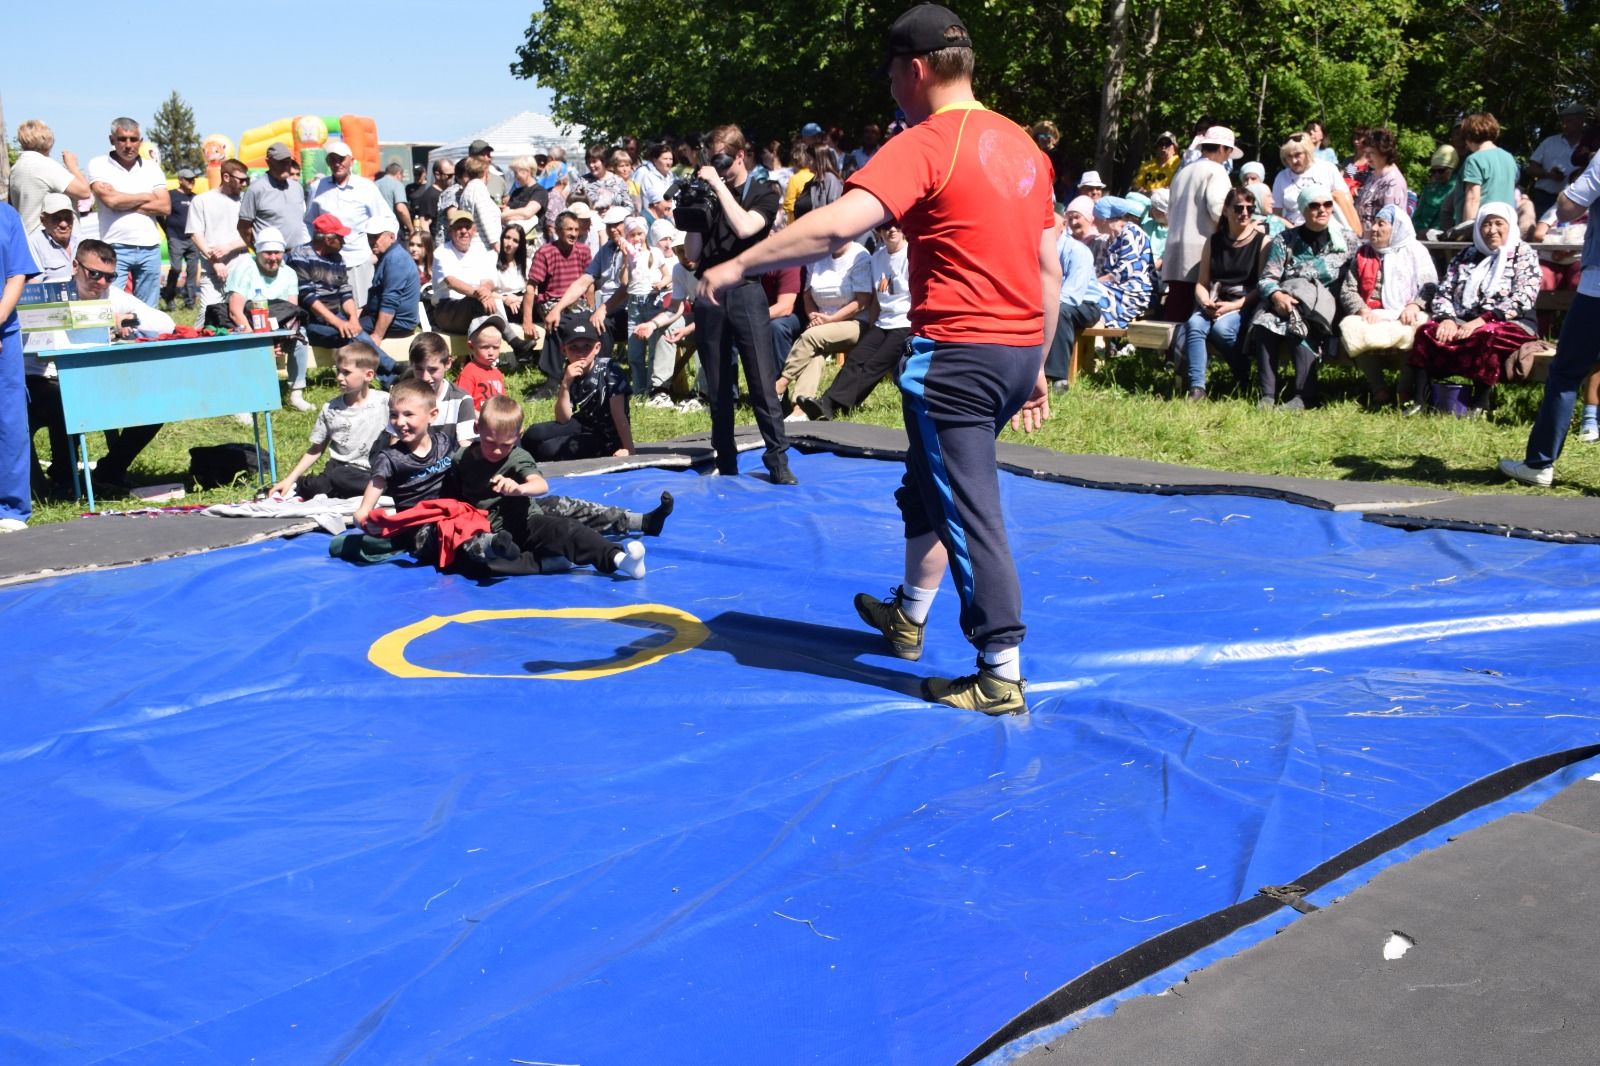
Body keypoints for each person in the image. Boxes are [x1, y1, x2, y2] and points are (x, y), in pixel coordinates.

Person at [700, 3, 1059, 712]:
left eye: (892, 71)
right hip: (1015, 348)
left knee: (967, 508)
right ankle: (910, 614)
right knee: (923, 485)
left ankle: (1000, 670)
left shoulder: (930, 141)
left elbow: (834, 227)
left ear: (916, 69)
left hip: (959, 357)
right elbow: (1048, 268)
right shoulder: (1022, 144)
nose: (889, 85)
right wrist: (1038, 363)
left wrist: (739, 265)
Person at [679, 124, 797, 482]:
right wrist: (694, 208)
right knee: (718, 384)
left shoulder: (764, 192)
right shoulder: (712, 194)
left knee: (761, 379)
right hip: (710, 293)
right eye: (714, 162)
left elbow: (747, 228)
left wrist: (717, 186)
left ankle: (777, 461)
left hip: (747, 290)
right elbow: (694, 254)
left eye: (724, 161)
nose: (720, 168)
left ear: (740, 155)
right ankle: (725, 459)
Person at [24, 239, 176, 497]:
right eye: (94, 274)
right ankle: (64, 480)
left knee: (156, 403)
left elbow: (166, 324)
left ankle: (110, 471)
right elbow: (36, 316)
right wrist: (106, 317)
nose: (102, 283)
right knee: (64, 400)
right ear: (75, 266)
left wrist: (129, 319)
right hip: (40, 380)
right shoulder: (48, 291)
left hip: (90, 378)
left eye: (109, 276)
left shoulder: (112, 295)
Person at [1408, 201, 1539, 415]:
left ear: (1510, 226)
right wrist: (1447, 319)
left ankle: (1480, 402)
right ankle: (1420, 400)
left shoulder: (1523, 254)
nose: (1492, 230)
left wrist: (1483, 319)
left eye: (1499, 224)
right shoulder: (1467, 254)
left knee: (1485, 334)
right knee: (1426, 332)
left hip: (1510, 322)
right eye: (1486, 225)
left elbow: (1524, 297)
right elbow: (1444, 290)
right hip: (1464, 320)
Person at [1241, 185, 1349, 409]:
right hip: (1286, 298)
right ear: (1303, 209)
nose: (1322, 210)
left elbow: (1354, 279)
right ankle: (1268, 395)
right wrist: (1277, 296)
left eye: (1327, 204)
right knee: (1264, 324)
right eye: (1315, 205)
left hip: (1324, 306)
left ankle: (1305, 395)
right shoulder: (1285, 239)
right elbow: (1267, 278)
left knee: (1298, 324)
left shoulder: (1346, 241)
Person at [797, 218, 914, 418]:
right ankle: (830, 403)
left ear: (904, 229)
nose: (891, 230)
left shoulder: (911, 255)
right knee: (856, 358)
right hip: (882, 322)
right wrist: (871, 327)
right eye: (885, 227)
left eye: (897, 225)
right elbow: (876, 298)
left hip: (905, 322)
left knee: (874, 365)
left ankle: (832, 405)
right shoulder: (877, 257)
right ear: (878, 231)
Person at [1337, 204, 1437, 407]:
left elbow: (1430, 285)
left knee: (1420, 329)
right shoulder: (1363, 252)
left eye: (1381, 224)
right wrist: (1363, 309)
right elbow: (1348, 289)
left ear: (1397, 228)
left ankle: (1404, 390)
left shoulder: (1416, 251)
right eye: (1374, 223)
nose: (1373, 228)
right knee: (1350, 327)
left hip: (1407, 311)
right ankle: (1379, 389)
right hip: (1373, 312)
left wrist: (1415, 306)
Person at [270, 345, 389, 499]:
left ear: (368, 375)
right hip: (342, 470)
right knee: (323, 483)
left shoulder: (385, 402)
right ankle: (300, 485)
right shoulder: (331, 408)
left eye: (346, 372)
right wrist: (289, 478)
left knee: (383, 483)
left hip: (374, 470)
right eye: (338, 370)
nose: (339, 377)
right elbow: (316, 449)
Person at [1181, 186, 1266, 400]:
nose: (1244, 213)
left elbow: (1262, 286)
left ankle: (1242, 375)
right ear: (1226, 210)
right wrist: (1204, 301)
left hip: (1244, 303)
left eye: (1250, 208)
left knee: (1222, 330)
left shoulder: (1262, 242)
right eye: (1238, 208)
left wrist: (1233, 306)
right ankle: (1197, 388)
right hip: (1214, 299)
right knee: (1195, 324)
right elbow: (1202, 282)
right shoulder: (1214, 241)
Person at [775, 237, 873, 411]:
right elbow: (807, 295)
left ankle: (780, 384)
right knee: (814, 356)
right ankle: (800, 408)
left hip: (854, 322)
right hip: (821, 323)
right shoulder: (818, 257)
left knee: (811, 337)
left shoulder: (860, 256)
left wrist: (830, 320)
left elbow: (862, 301)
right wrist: (814, 316)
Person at [521, 312, 634, 460]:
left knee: (548, 450)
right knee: (532, 434)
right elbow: (563, 419)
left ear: (597, 348)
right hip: (582, 423)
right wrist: (565, 384)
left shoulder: (611, 370)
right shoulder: (570, 371)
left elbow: (619, 414)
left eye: (587, 346)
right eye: (574, 347)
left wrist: (628, 449)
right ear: (564, 351)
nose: (581, 353)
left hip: (606, 437)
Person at [87, 117, 170, 308]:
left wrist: (121, 201)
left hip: (150, 246)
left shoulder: (152, 168)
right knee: (110, 303)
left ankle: (146, 339)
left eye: (133, 139)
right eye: (122, 139)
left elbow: (165, 207)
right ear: (112, 140)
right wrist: (146, 195)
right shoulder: (99, 164)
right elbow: (110, 201)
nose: (128, 145)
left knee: (149, 309)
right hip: (115, 245)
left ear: (140, 141)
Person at [223, 226, 308, 408]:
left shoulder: (289, 273)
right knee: (241, 343)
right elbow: (234, 312)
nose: (273, 258)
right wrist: (261, 342)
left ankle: (296, 393)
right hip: (245, 322)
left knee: (300, 338)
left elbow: (292, 310)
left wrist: (281, 339)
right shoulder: (245, 268)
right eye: (268, 253)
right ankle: (242, 403)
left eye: (277, 253)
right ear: (259, 252)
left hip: (277, 322)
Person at [1160, 125, 1236, 323]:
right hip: (1200, 252)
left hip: (1174, 249)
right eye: (1229, 151)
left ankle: (1170, 354)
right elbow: (1218, 209)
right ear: (1222, 148)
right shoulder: (1217, 171)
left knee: (1175, 311)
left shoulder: (1182, 172)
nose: (1228, 157)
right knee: (1194, 318)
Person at [304, 139, 394, 306]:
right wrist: (311, 251)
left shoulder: (366, 187)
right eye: (332, 159)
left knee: (361, 309)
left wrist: (375, 254)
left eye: (341, 159)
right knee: (331, 309)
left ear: (351, 161)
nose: (337, 164)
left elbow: (386, 220)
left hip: (358, 261)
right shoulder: (318, 187)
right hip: (327, 262)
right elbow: (308, 222)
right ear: (327, 162)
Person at [287, 214, 376, 358]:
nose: (344, 242)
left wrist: (353, 318)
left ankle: (391, 371)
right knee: (349, 335)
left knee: (354, 331)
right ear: (328, 240)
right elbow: (308, 297)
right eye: (340, 237)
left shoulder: (337, 258)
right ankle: (392, 370)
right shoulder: (300, 255)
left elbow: (345, 292)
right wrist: (339, 323)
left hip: (336, 315)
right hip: (311, 321)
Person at [0, 202, 37, 532]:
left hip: (3, 332)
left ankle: (10, 509)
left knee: (8, 419)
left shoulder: (6, 216)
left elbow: (17, 274)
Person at [1039, 202, 1103, 391]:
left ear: (1063, 224)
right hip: (1054, 301)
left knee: (1060, 311)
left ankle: (1058, 378)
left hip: (1086, 304)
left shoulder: (1077, 251)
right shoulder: (1039, 250)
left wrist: (1046, 305)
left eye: (1053, 224)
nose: (1048, 230)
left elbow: (1073, 294)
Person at [525, 210, 592, 375]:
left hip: (577, 302)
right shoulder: (545, 252)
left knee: (588, 324)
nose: (574, 234)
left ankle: (589, 369)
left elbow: (589, 284)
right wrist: (527, 321)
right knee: (561, 323)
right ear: (557, 230)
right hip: (551, 301)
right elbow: (531, 286)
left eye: (576, 230)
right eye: (569, 229)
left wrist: (592, 309)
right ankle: (552, 374)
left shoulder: (583, 251)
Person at [187, 159, 249, 322]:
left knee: (243, 315)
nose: (244, 183)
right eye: (241, 179)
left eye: (246, 180)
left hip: (242, 268)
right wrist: (214, 260)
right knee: (207, 315)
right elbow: (196, 234)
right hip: (212, 270)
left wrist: (230, 246)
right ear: (226, 177)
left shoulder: (247, 200)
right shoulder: (202, 201)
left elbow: (255, 233)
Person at [7, 119, 90, 235]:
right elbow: (84, 192)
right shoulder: (44, 165)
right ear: (48, 140)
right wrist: (72, 165)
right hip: (49, 240)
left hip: (27, 236)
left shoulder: (17, 167)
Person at [619, 215, 670, 394]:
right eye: (632, 235)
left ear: (645, 234)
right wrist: (625, 260)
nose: (637, 238)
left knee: (655, 349)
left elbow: (667, 275)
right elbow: (624, 282)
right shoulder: (627, 256)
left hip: (652, 301)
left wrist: (662, 284)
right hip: (634, 304)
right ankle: (639, 389)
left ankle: (652, 387)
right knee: (635, 352)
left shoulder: (655, 253)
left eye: (640, 234)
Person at [430, 208, 499, 336]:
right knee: (477, 304)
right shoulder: (441, 252)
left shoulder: (480, 251)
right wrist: (480, 294)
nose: (463, 231)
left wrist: (484, 290)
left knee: (483, 309)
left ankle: (513, 343)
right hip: (447, 310)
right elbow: (451, 282)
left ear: (473, 230)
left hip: (475, 306)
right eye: (459, 227)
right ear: (450, 232)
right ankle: (514, 342)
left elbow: (488, 280)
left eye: (467, 227)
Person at [1273, 134, 1359, 235]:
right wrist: (1292, 229)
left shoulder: (1327, 169)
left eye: (1297, 155)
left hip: (1329, 232)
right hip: (1294, 233)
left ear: (1308, 152)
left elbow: (1346, 199)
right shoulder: (1282, 177)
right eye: (1289, 156)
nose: (1293, 161)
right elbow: (1276, 213)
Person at [360, 215, 420, 355]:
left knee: (347, 331)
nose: (372, 242)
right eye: (370, 237)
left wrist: (377, 336)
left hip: (399, 323)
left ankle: (388, 373)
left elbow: (390, 301)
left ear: (392, 237)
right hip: (389, 319)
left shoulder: (396, 259)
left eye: (376, 237)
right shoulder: (388, 256)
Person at [1092, 196, 1154, 329]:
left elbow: (1125, 271)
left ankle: (1099, 339)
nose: (1093, 222)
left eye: (1095, 217)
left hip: (1132, 291)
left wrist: (1094, 282)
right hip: (1112, 288)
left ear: (1104, 219)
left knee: (1093, 291)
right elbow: (1099, 271)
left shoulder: (1131, 232)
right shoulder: (1107, 240)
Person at [407, 332, 477, 446]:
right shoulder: (404, 399)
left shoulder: (461, 401)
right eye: (419, 369)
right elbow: (395, 445)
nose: (425, 378)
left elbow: (465, 449)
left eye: (433, 370)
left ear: (448, 363)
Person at [238, 142, 309, 253]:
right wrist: (259, 249)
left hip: (298, 255)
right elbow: (243, 227)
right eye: (280, 162)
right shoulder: (256, 189)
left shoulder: (297, 188)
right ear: (268, 162)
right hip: (271, 258)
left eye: (288, 162)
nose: (286, 166)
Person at [1458, 112, 1518, 228]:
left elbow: (1472, 198)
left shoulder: (1474, 159)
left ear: (1469, 136)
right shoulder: (1509, 158)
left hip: (1483, 227)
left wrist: (1466, 231)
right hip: (1506, 224)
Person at [1528, 103, 1588, 216]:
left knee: (1572, 233)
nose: (1564, 125)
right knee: (1540, 232)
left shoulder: (1588, 145)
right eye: (1563, 121)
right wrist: (1549, 174)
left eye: (1569, 121)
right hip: (1545, 198)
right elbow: (1531, 168)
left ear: (1580, 121)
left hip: (1576, 200)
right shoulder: (1550, 142)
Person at [1354, 129, 1408, 238]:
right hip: (1364, 243)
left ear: (1384, 153)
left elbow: (1389, 223)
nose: (1367, 157)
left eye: (1372, 153)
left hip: (1379, 247)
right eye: (1366, 153)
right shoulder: (1372, 175)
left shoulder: (1394, 182)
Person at [26, 194, 80, 283]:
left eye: (68, 218)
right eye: (57, 218)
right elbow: (34, 287)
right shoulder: (33, 244)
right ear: (43, 220)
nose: (64, 224)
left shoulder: (81, 242)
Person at [1412, 145, 1461, 234]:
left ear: (1452, 169)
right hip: (1423, 236)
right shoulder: (1429, 189)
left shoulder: (1459, 188)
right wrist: (1421, 231)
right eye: (1433, 171)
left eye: (1441, 171)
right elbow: (1417, 216)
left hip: (1444, 239)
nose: (1437, 175)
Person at [460, 156, 503, 253]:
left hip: (474, 245)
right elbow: (485, 218)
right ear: (485, 172)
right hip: (483, 247)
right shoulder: (478, 188)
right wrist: (496, 245)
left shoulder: (468, 188)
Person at [411, 159, 452, 234]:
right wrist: (429, 244)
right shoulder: (430, 195)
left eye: (454, 175)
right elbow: (424, 224)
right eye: (449, 176)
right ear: (437, 175)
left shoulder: (448, 192)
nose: (452, 178)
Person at [373, 162, 414, 238]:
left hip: (375, 229)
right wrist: (411, 229)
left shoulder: (374, 185)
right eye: (402, 176)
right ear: (399, 174)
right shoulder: (397, 184)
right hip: (392, 229)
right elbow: (401, 209)